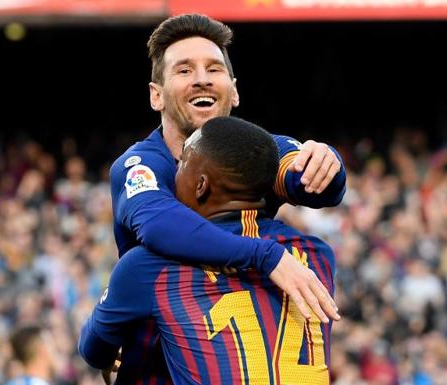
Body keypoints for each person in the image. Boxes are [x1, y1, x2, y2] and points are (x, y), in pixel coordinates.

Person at [108, 13, 346, 327]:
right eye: (184, 70)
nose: (202, 79)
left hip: (240, 348)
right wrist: (266, 256)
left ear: (233, 91)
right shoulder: (141, 165)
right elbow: (160, 226)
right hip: (161, 356)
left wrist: (328, 161)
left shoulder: (258, 150)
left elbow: (315, 185)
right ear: (156, 95)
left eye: (213, 68)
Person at [80, 116, 336, 385]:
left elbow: (93, 349)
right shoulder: (318, 256)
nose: (173, 175)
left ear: (200, 185)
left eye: (181, 166)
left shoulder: (150, 267)